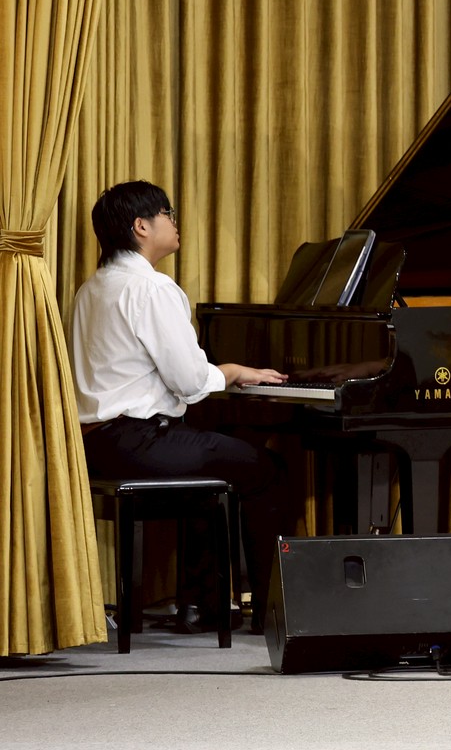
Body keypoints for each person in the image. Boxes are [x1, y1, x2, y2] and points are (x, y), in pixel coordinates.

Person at [74, 181, 290, 633]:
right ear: (141, 226)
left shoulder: (92, 288)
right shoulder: (151, 288)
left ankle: (203, 606)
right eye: (168, 215)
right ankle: (273, 611)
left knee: (214, 461)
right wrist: (231, 371)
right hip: (138, 442)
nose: (175, 223)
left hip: (94, 445)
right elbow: (189, 382)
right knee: (265, 469)